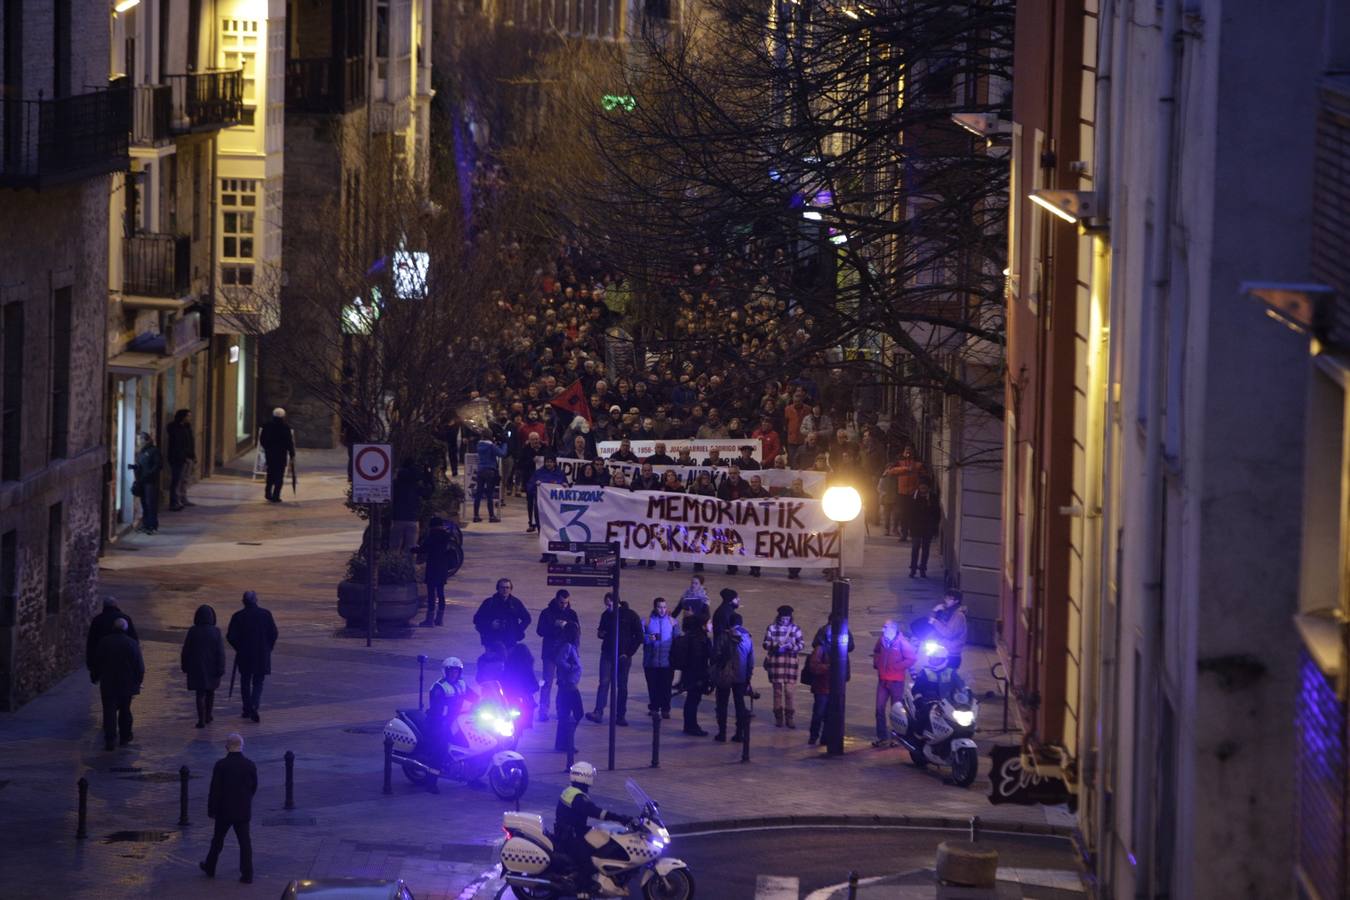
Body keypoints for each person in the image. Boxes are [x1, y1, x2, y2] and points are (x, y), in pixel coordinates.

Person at [554, 762, 636, 891]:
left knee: (603, 837)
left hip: (570, 830)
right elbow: (595, 812)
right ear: (585, 776)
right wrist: (620, 818)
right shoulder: (578, 797)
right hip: (570, 835)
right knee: (591, 858)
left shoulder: (571, 791)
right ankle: (583, 888)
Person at [200, 733, 258, 883]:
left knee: (218, 840)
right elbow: (254, 787)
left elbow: (214, 790)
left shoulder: (221, 765)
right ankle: (247, 873)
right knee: (245, 842)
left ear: (227, 747)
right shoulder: (249, 764)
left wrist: (211, 809)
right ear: (241, 746)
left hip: (224, 810)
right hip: (242, 809)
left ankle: (210, 866)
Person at [588, 593, 643, 725]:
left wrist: (629, 653)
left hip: (623, 656)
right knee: (604, 683)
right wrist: (601, 634)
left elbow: (639, 636)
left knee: (622, 686)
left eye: (609, 604)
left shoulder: (630, 615)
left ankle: (620, 715)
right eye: (606, 605)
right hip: (607, 654)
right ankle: (598, 712)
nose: (607, 607)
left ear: (617, 602)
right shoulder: (606, 615)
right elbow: (600, 632)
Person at [91, 618, 144, 750]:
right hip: (127, 683)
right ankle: (125, 736)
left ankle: (110, 739)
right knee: (125, 710)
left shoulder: (104, 642)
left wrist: (95, 676)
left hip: (108, 682)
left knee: (109, 711)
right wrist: (138, 681)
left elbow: (97, 661)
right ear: (125, 629)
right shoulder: (132, 643)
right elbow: (139, 666)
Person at [226, 591, 278, 723]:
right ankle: (254, 705)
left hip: (245, 655)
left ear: (243, 601)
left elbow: (231, 636)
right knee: (258, 682)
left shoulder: (238, 616)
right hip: (261, 654)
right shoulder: (265, 614)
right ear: (256, 600)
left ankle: (247, 708)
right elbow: (274, 633)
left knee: (245, 682)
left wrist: (239, 647)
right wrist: (268, 648)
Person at [871, 620, 917, 747]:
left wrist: (897, 667)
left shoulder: (902, 643)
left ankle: (896, 738)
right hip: (883, 680)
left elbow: (912, 659)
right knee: (879, 709)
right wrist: (877, 663)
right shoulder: (882, 640)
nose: (883, 630)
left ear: (893, 629)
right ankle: (882, 737)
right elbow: (876, 651)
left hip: (896, 681)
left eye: (885, 627)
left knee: (896, 711)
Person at [536, 589, 578, 722]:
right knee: (547, 682)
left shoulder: (571, 614)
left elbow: (576, 633)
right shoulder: (546, 613)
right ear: (556, 600)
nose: (564, 605)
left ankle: (562, 710)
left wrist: (575, 653)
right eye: (561, 602)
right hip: (549, 652)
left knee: (563, 683)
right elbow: (540, 631)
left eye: (566, 602)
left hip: (564, 654)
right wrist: (554, 626)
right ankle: (543, 710)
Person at [181, 604, 226, 729]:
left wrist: (184, 665)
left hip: (196, 667)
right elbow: (220, 652)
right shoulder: (215, 631)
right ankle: (208, 715)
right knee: (210, 692)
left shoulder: (193, 631)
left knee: (199, 693)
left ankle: (201, 719)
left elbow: (186, 650)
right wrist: (221, 667)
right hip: (212, 667)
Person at [712, 612, 754, 742]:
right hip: (741, 676)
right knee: (740, 704)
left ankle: (722, 733)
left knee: (722, 704)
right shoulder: (748, 637)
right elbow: (750, 661)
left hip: (724, 675)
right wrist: (748, 676)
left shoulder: (723, 636)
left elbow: (715, 655)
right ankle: (739, 733)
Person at [761, 605, 804, 728]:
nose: (785, 620)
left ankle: (790, 717)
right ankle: (778, 717)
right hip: (776, 664)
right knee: (777, 692)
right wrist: (775, 645)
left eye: (787, 618)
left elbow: (801, 644)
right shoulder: (772, 628)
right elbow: (765, 643)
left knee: (789, 692)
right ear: (779, 617)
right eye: (783, 618)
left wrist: (792, 647)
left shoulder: (795, 629)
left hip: (790, 664)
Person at [415, 516, 460, 627]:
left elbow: (424, 549)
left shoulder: (432, 536)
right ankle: (439, 619)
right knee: (440, 593)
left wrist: (413, 549)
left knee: (431, 593)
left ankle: (429, 620)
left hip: (433, 567)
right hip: (443, 567)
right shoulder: (446, 536)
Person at [642, 598, 680, 719]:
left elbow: (678, 640)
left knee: (666, 687)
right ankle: (654, 708)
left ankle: (665, 709)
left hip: (667, 662)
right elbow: (641, 638)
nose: (662, 610)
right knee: (652, 686)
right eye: (659, 607)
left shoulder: (673, 622)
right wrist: (649, 639)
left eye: (664, 607)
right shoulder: (647, 622)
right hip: (650, 662)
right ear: (655, 607)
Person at [473, 578, 531, 649]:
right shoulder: (489, 603)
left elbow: (527, 618)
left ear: (510, 589)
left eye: (507, 587)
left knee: (510, 660)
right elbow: (477, 619)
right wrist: (490, 624)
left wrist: (517, 629)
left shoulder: (515, 603)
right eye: (502, 587)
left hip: (510, 640)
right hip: (492, 639)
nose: (505, 590)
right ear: (498, 588)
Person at [87, 596, 138, 676]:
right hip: (123, 661)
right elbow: (134, 641)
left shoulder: (97, 620)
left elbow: (91, 643)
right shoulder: (125, 618)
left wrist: (92, 667)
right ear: (116, 605)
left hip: (104, 661)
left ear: (104, 606)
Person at [389, 458, 431, 552]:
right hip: (413, 517)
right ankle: (409, 565)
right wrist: (428, 477)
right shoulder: (415, 484)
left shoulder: (396, 483)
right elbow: (427, 494)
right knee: (411, 548)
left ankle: (392, 565)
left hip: (397, 518)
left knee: (394, 547)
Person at [882, 447, 925, 540]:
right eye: (906, 451)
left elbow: (923, 474)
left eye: (910, 451)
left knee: (912, 514)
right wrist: (905, 469)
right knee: (903, 514)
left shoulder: (917, 464)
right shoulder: (899, 462)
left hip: (913, 493)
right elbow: (891, 471)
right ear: (904, 452)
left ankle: (912, 532)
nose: (908, 454)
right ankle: (904, 533)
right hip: (902, 493)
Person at [553, 623, 584, 752]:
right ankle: (565, 742)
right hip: (568, 685)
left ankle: (563, 743)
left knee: (565, 715)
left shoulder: (571, 646)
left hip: (569, 684)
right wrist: (571, 668)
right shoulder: (568, 646)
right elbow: (560, 661)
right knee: (576, 712)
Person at [527, 454, 568, 538]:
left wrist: (565, 485)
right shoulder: (538, 473)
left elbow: (566, 488)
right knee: (541, 518)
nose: (549, 464)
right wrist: (535, 484)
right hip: (541, 502)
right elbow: (529, 487)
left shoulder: (560, 473)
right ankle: (541, 534)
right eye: (547, 462)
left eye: (551, 462)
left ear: (554, 463)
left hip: (555, 504)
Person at [259, 408, 295, 504]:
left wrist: (267, 447)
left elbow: (262, 439)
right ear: (283, 416)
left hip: (270, 453)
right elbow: (289, 442)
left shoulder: (267, 425)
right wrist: (292, 453)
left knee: (270, 472)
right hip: (281, 453)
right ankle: (276, 495)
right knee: (279, 474)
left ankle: (268, 492)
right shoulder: (285, 427)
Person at [472, 432, 509, 522]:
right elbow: (502, 454)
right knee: (489, 494)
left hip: (480, 470)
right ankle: (491, 516)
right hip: (490, 470)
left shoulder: (478, 445)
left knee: (479, 493)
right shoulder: (491, 446)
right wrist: (504, 444)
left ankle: (476, 515)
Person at [928, 590, 968, 671]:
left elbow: (949, 633)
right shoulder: (946, 611)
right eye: (946, 598)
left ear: (956, 601)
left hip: (951, 654)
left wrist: (935, 622)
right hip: (941, 650)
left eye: (950, 599)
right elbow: (930, 622)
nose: (946, 600)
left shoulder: (958, 615)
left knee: (945, 679)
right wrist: (935, 611)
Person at [502, 642, 540, 730]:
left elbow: (502, 682)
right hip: (520, 698)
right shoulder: (527, 669)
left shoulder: (508, 668)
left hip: (509, 698)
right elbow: (534, 685)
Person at [909, 481, 942, 578]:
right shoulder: (914, 496)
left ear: (928, 488)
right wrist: (910, 527)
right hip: (916, 527)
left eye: (925, 488)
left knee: (926, 549)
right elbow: (910, 513)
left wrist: (935, 527)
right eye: (921, 487)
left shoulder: (933, 497)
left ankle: (923, 568)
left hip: (928, 527)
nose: (922, 490)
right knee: (915, 548)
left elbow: (936, 513)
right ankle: (913, 569)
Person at [165, 409, 196, 511]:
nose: (189, 418)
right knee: (176, 480)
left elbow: (190, 442)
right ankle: (174, 502)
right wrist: (182, 456)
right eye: (188, 416)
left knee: (185, 480)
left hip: (188, 458)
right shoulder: (174, 427)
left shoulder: (187, 427)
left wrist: (192, 456)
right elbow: (177, 444)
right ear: (182, 416)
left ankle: (183, 498)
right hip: (178, 458)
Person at [132, 431, 162, 533]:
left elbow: (158, 466)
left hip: (150, 482)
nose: (138, 442)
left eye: (139, 439)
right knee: (144, 503)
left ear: (145, 440)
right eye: (137, 440)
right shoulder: (141, 452)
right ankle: (146, 524)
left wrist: (148, 474)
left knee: (150, 503)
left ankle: (152, 525)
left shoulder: (154, 451)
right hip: (142, 481)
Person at [805, 640, 832, 746]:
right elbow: (814, 667)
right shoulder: (820, 648)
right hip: (822, 687)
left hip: (832, 687)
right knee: (819, 713)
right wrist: (829, 667)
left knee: (829, 715)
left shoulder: (839, 646)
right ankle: (813, 736)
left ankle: (825, 738)